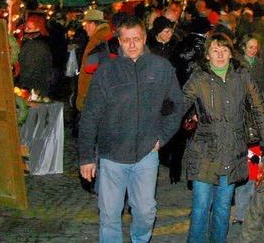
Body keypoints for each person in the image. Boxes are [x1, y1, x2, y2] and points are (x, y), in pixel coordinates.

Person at [78, 16, 184, 243]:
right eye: (126, 40)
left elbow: (176, 106)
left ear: (145, 38)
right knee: (109, 214)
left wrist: (161, 139)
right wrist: (86, 156)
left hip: (146, 154)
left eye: (136, 39)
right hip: (111, 156)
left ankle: (140, 239)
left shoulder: (161, 68)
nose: (132, 45)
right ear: (119, 41)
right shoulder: (107, 72)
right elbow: (89, 115)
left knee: (146, 212)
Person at [182, 32, 264, 243]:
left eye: (224, 50)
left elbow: (259, 108)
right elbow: (179, 106)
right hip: (204, 151)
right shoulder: (199, 79)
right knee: (200, 209)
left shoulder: (242, 76)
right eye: (215, 50)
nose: (220, 55)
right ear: (207, 55)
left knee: (223, 210)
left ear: (231, 54)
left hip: (232, 152)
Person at [76, 9, 113, 112]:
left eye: (85, 24)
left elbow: (89, 72)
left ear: (92, 24)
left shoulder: (95, 41)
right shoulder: (109, 36)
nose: (84, 27)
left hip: (93, 97)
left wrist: (83, 97)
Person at [18, 15, 53, 96]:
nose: (26, 30)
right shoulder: (37, 43)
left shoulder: (35, 45)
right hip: (36, 86)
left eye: (29, 28)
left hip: (33, 88)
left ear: (38, 29)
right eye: (26, 27)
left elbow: (30, 68)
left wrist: (22, 84)